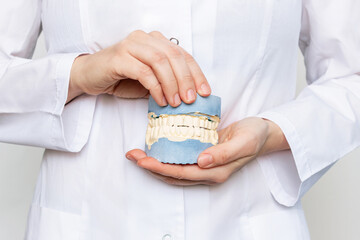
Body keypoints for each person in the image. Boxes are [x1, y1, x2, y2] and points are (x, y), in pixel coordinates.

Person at [0, 0, 359, 239]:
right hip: (87, 221)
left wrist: (275, 133)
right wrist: (78, 73)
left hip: (247, 220)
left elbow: (352, 76)